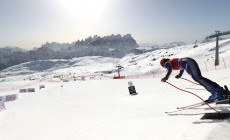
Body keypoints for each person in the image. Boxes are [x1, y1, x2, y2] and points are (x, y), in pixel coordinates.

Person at [160, 57, 229, 103]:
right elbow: (181, 68)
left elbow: (169, 69)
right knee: (199, 78)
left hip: (187, 63)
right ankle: (220, 90)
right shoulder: (171, 61)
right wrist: (180, 75)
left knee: (198, 78)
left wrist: (166, 77)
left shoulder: (166, 63)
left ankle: (216, 93)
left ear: (163, 64)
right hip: (188, 61)